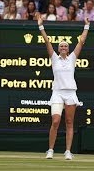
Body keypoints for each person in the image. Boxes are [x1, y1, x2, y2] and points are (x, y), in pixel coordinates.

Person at [37, 14, 90, 160]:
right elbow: (47, 41)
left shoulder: (73, 57)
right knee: (55, 121)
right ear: (58, 48)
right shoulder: (54, 58)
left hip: (71, 93)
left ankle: (67, 151)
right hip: (57, 93)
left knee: (69, 122)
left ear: (68, 48)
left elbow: (82, 41)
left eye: (65, 46)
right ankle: (50, 150)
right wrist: (41, 26)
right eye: (61, 46)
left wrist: (86, 26)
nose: (63, 48)